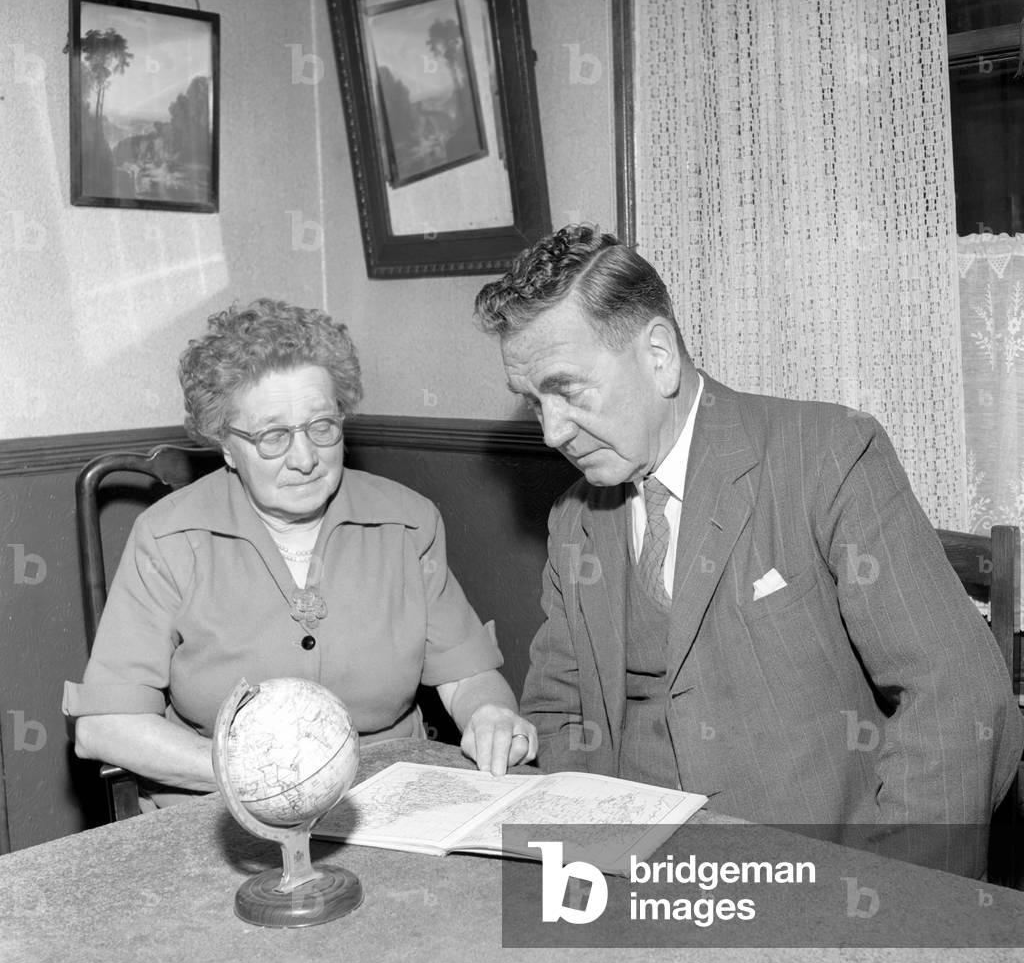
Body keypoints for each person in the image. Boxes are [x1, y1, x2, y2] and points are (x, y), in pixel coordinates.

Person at [474, 224, 1024, 878]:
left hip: (824, 884)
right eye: (534, 403)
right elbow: (558, 710)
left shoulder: (826, 454)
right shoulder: (575, 520)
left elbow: (959, 698)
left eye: (567, 390)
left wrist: (890, 899)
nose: (552, 430)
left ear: (658, 356)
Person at [63, 299, 535, 805]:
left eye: (322, 427)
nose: (306, 458)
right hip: (222, 805)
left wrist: (490, 715)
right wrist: (250, 776)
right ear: (225, 444)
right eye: (272, 437)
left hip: (386, 796)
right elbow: (105, 727)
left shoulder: (407, 522)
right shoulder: (168, 537)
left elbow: (467, 678)